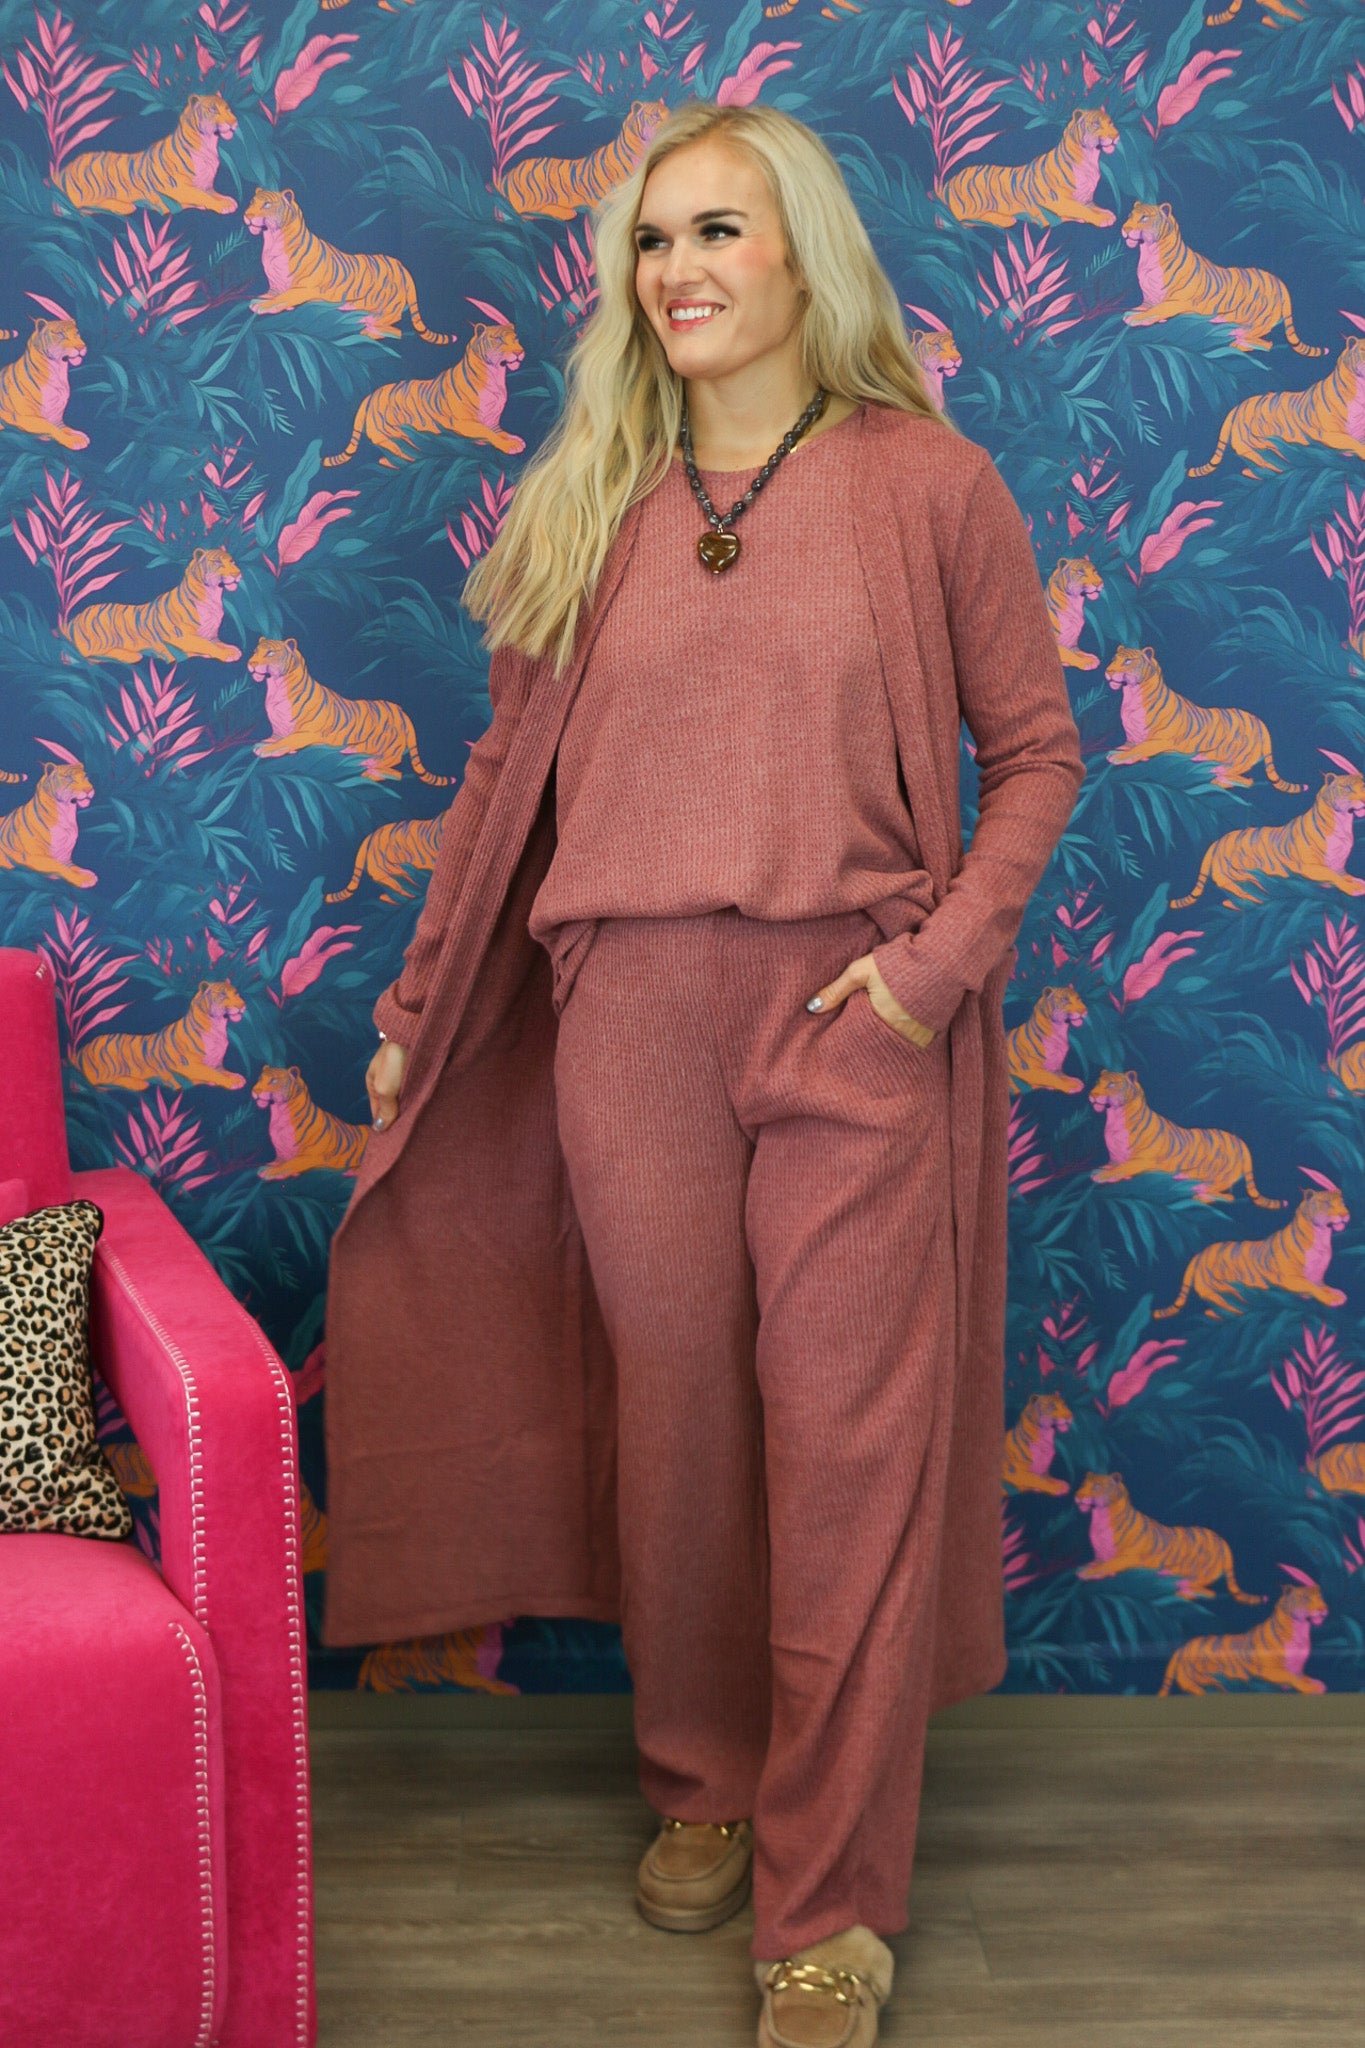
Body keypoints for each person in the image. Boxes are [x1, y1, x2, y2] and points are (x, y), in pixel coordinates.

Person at [323, 98, 1084, 2048]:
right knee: (679, 1433)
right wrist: (418, 999)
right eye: (652, 241)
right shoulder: (592, 497)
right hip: (628, 1019)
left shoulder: (929, 486)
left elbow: (1036, 756)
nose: (676, 270)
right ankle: (704, 1780)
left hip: (852, 1016)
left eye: (717, 230)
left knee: (846, 1451)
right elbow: (502, 781)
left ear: (803, 255)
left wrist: (925, 978)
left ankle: (827, 1909)